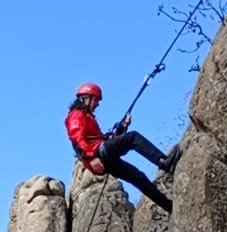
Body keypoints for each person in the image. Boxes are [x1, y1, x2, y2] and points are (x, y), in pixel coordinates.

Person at [65, 82, 179, 214]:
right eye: (96, 100)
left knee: (138, 177)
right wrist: (91, 158)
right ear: (85, 98)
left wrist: (123, 127)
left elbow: (104, 140)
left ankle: (168, 206)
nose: (97, 104)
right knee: (133, 138)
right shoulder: (76, 116)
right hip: (97, 154)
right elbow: (77, 140)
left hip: (101, 155)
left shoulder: (87, 117)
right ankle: (163, 162)